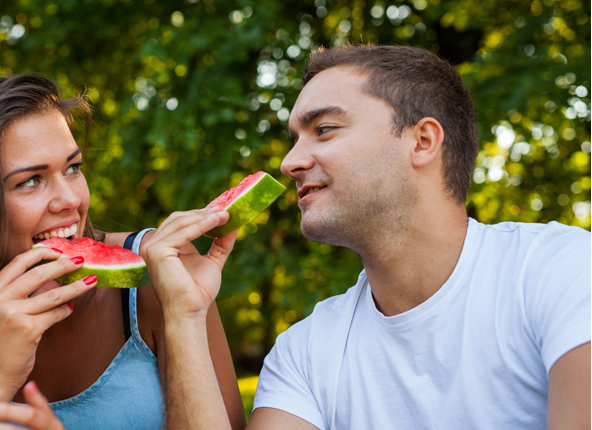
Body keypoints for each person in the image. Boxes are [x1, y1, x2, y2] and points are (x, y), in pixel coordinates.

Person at [136, 44, 591, 430]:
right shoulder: (305, 352)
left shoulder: (560, 271)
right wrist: (185, 316)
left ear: (423, 141)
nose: (289, 162)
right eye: (295, 138)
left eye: (324, 129)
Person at [0, 73, 246, 430]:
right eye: (30, 181)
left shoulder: (159, 276)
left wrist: (186, 316)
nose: (71, 200)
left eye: (73, 168)